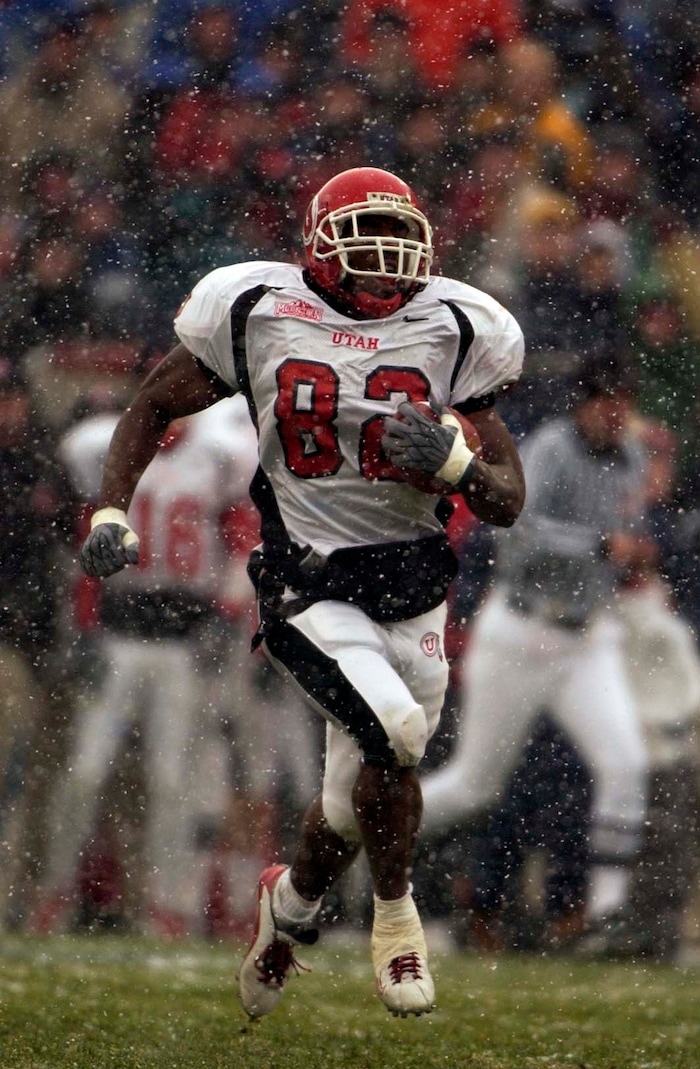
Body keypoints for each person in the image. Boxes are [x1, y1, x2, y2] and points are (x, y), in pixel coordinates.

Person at [78, 166, 526, 1018]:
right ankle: (397, 924)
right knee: (393, 734)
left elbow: (507, 499)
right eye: (366, 254)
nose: (384, 273)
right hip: (306, 583)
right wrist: (111, 504)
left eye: (399, 256)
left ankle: (288, 907)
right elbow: (151, 403)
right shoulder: (258, 308)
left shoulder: (457, 324)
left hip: (415, 589)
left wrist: (459, 464)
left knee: (349, 802)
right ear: (319, 251)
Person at [420, 351, 652, 942]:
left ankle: (607, 915)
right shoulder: (550, 448)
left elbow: (632, 536)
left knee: (625, 762)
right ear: (584, 403)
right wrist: (600, 546)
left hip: (585, 636)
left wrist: (632, 552)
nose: (618, 414)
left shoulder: (630, 459)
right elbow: (514, 529)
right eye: (608, 401)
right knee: (476, 787)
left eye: (625, 402)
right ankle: (370, 830)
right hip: (521, 627)